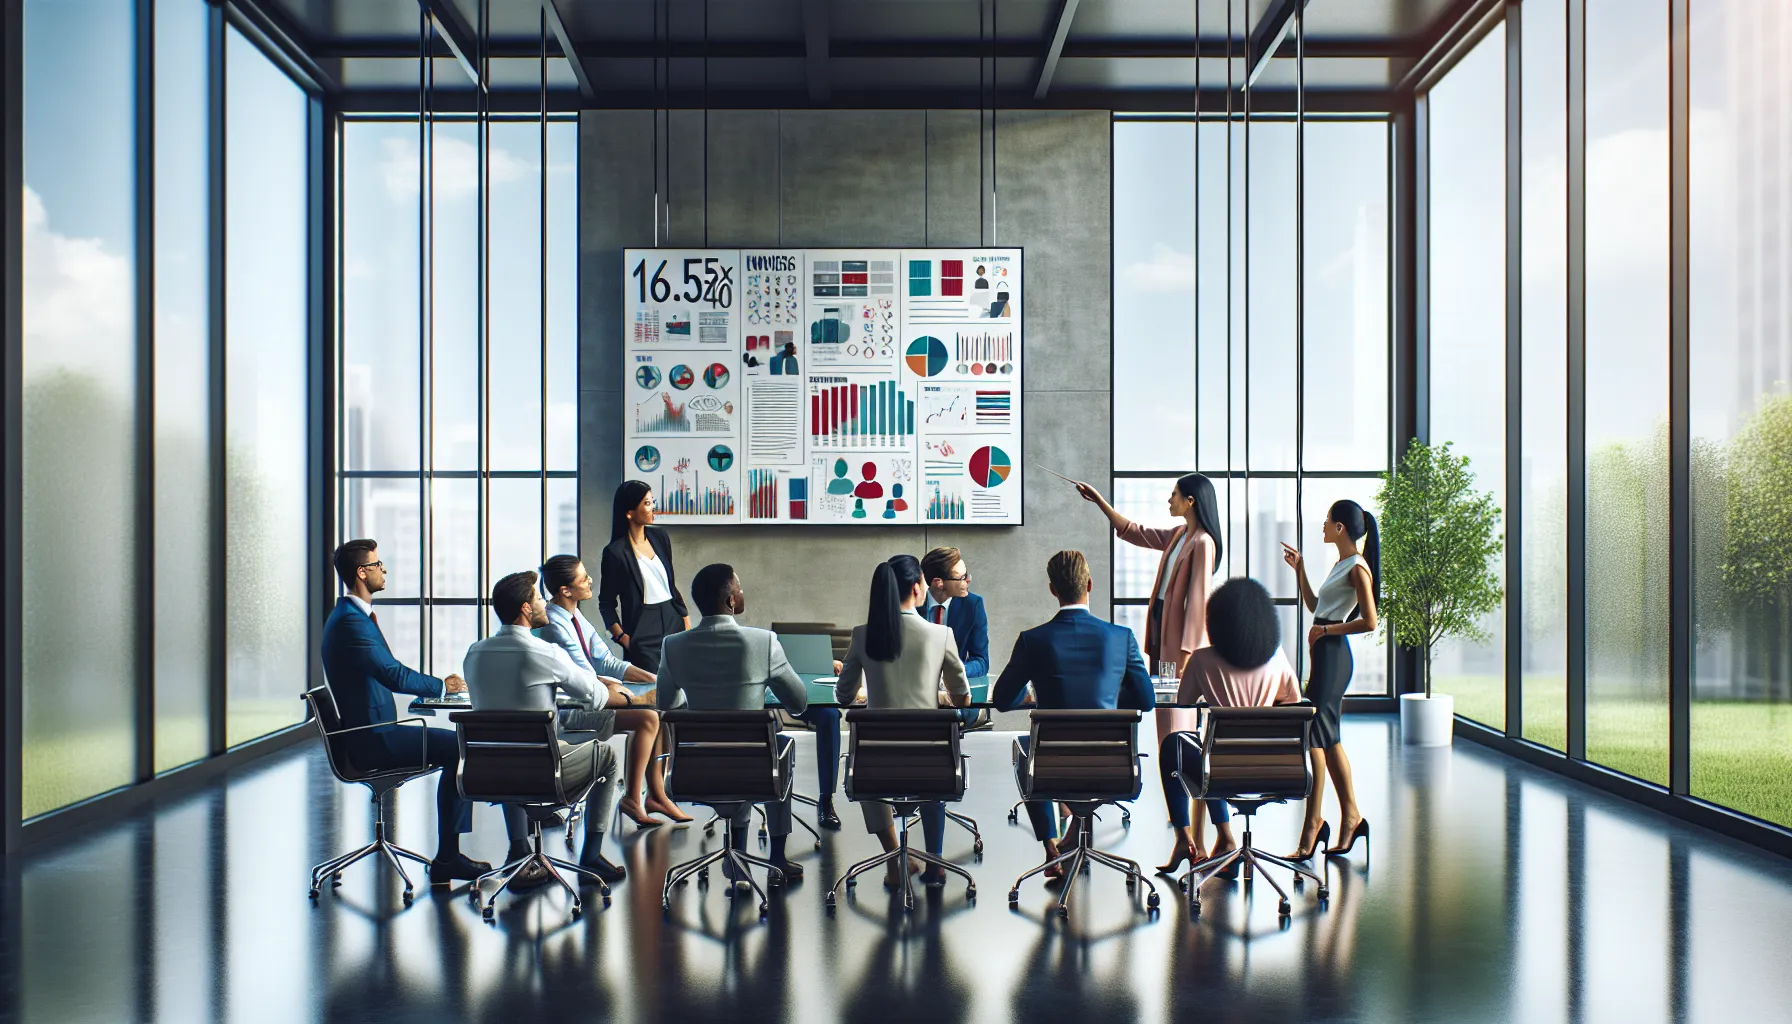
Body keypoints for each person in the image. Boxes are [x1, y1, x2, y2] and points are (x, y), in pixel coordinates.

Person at [319, 540, 489, 884]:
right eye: (377, 564)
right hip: (373, 739)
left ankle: (449, 855)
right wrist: (442, 687)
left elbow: (384, 671)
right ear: (361, 573)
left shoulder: (352, 617)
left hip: (373, 730)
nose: (384, 570)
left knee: (455, 743)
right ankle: (448, 858)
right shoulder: (351, 622)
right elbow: (392, 674)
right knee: (459, 747)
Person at [1071, 474, 1223, 834]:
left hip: (1179, 648)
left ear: (1191, 501)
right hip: (1162, 641)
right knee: (1165, 727)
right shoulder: (1178, 536)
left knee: (1176, 729)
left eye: (1174, 495)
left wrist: (1187, 654)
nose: (1169, 501)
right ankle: (1180, 809)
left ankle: (1184, 811)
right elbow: (1135, 532)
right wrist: (1100, 503)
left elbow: (1198, 601)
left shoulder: (1202, 543)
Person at [992, 550, 1154, 876]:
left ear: (1052, 589)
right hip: (1113, 768)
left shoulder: (1033, 640)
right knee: (1081, 748)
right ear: (1090, 584)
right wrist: (1108, 695)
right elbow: (1146, 700)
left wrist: (1031, 698)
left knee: (1026, 746)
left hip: (1052, 768)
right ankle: (1071, 838)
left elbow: (1001, 699)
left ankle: (1051, 847)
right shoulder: (1121, 638)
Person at [462, 571, 628, 885]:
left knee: (508, 749)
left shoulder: (475, 653)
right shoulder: (545, 653)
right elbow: (595, 697)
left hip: (486, 771)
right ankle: (591, 856)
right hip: (542, 772)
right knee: (606, 756)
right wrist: (628, 697)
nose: (543, 604)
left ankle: (519, 851)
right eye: (538, 599)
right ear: (525, 609)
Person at [656, 564, 811, 882]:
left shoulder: (673, 646)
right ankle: (777, 858)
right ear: (730, 600)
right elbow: (799, 703)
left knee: (738, 751)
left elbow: (666, 706)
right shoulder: (763, 642)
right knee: (779, 744)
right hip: (755, 772)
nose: (742, 593)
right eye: (738, 588)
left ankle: (737, 856)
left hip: (695, 770)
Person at [836, 554, 973, 888]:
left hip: (874, 765)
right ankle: (936, 864)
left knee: (862, 756)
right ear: (916, 587)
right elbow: (963, 697)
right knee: (935, 758)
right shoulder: (940, 634)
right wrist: (936, 696)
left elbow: (843, 696)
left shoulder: (862, 634)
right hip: (931, 763)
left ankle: (895, 858)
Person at [1155, 577, 1305, 875]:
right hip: (1271, 770)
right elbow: (1295, 704)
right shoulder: (1278, 658)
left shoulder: (1201, 660)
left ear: (1217, 622)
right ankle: (1223, 840)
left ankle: (1191, 838)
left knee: (1176, 745)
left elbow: (1183, 702)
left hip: (1220, 771)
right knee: (1211, 758)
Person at [537, 554, 694, 828]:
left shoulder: (575, 617)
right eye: (583, 578)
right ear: (565, 590)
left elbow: (607, 662)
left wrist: (657, 679)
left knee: (659, 709)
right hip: (571, 710)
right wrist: (627, 692)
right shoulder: (554, 625)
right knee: (648, 718)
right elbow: (581, 677)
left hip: (591, 698)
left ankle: (655, 794)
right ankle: (636, 798)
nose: (590, 581)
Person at [1281, 498, 1379, 860]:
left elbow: (1369, 621)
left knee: (1315, 738)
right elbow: (1314, 605)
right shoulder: (1341, 564)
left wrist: (1327, 631)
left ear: (1340, 528)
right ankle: (1351, 816)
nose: (1323, 525)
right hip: (1324, 653)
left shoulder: (1358, 568)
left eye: (1327, 521)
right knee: (1329, 737)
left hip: (1334, 655)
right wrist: (1301, 569)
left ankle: (1313, 825)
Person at [599, 480, 689, 674]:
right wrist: (622, 637)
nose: (653, 508)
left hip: (674, 619)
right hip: (643, 627)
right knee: (652, 688)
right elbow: (606, 603)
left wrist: (686, 620)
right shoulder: (614, 553)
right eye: (647, 503)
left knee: (682, 681)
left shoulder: (660, 537)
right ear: (629, 512)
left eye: (652, 501)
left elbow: (670, 584)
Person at [920, 546, 990, 679]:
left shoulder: (973, 605)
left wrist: (956, 670)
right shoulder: (912, 603)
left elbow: (981, 661)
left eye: (967, 574)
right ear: (938, 583)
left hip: (952, 688)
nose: (968, 580)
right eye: (961, 577)